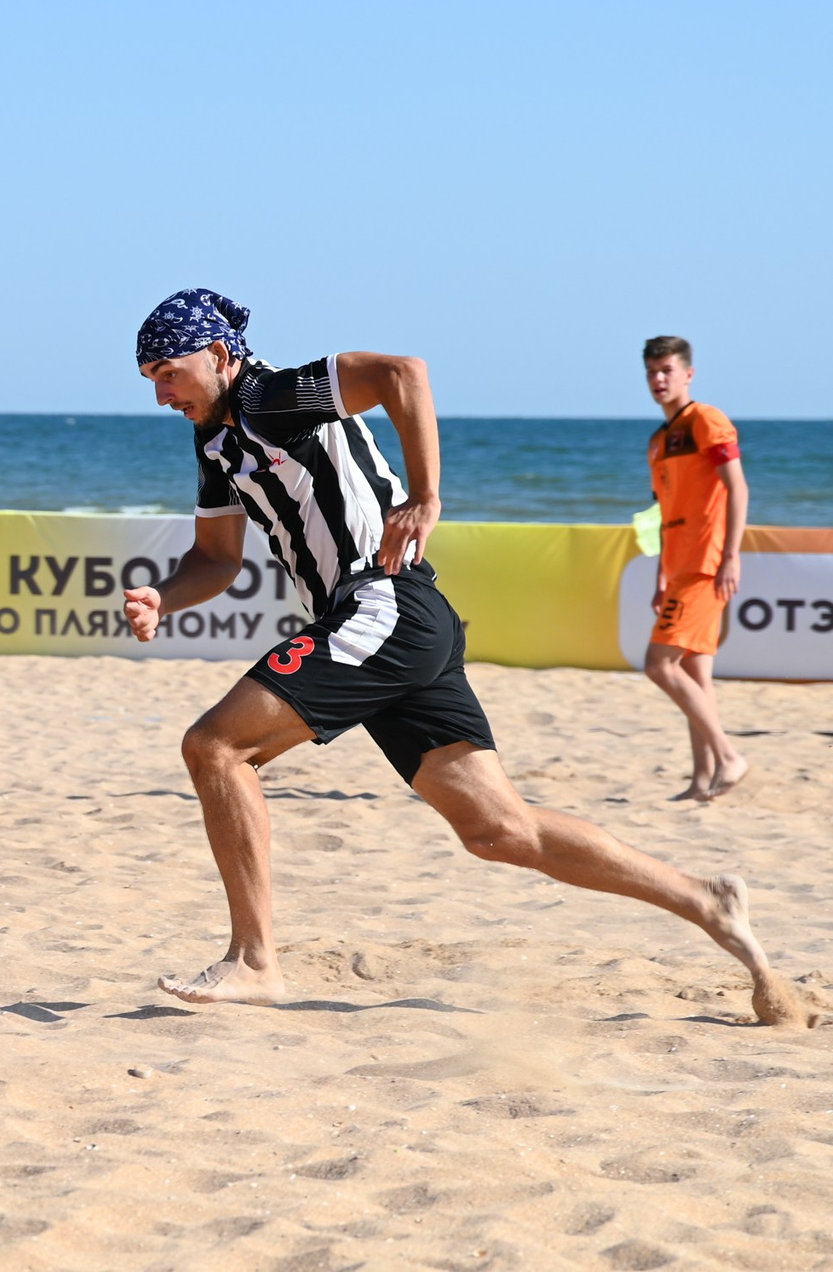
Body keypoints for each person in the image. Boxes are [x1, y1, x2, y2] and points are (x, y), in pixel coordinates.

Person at [121, 289, 793, 1024]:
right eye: (150, 378)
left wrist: (425, 495)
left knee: (216, 747)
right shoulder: (215, 442)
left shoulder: (271, 396)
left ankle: (254, 960)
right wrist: (163, 597)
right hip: (401, 622)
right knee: (499, 831)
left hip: (383, 604)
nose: (161, 395)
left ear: (220, 355)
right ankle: (706, 899)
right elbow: (216, 559)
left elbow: (402, 373)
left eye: (169, 373)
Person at [642, 336, 750, 801]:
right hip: (679, 567)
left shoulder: (707, 419)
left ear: (688, 374)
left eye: (666, 370)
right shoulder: (658, 442)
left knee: (658, 665)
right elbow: (665, 514)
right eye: (651, 371)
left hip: (707, 564)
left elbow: (738, 489)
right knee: (696, 676)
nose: (658, 379)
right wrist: (661, 575)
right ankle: (702, 781)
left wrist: (731, 555)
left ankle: (728, 757)